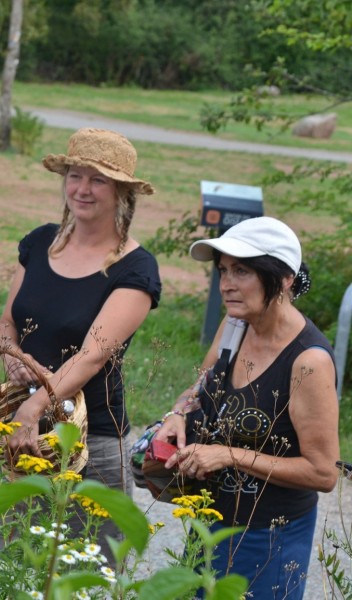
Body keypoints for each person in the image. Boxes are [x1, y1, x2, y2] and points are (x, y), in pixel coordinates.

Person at [159, 217, 338, 600]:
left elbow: (324, 473)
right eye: (223, 270)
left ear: (284, 278)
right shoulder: (236, 323)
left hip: (268, 538)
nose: (226, 284)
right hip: (210, 523)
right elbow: (200, 386)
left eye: (242, 270)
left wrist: (228, 455)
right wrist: (176, 415)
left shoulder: (308, 361)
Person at [0, 128, 161, 493]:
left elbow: (91, 357)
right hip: (19, 424)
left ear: (121, 192)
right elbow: (8, 320)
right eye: (75, 177)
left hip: (90, 439)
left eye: (98, 180)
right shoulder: (40, 242)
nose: (82, 190)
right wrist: (12, 356)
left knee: (85, 550)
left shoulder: (135, 268)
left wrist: (33, 408)